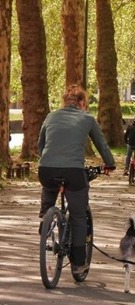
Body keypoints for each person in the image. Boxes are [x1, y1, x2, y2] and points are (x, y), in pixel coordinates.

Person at [37, 84, 116, 274]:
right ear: (81, 102)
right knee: (79, 216)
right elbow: (102, 145)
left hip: (46, 169)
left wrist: (48, 159)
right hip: (74, 172)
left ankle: (46, 216)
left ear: (65, 101)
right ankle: (78, 263)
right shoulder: (87, 118)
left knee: (49, 185)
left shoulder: (51, 116)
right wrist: (110, 163)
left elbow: (40, 145)